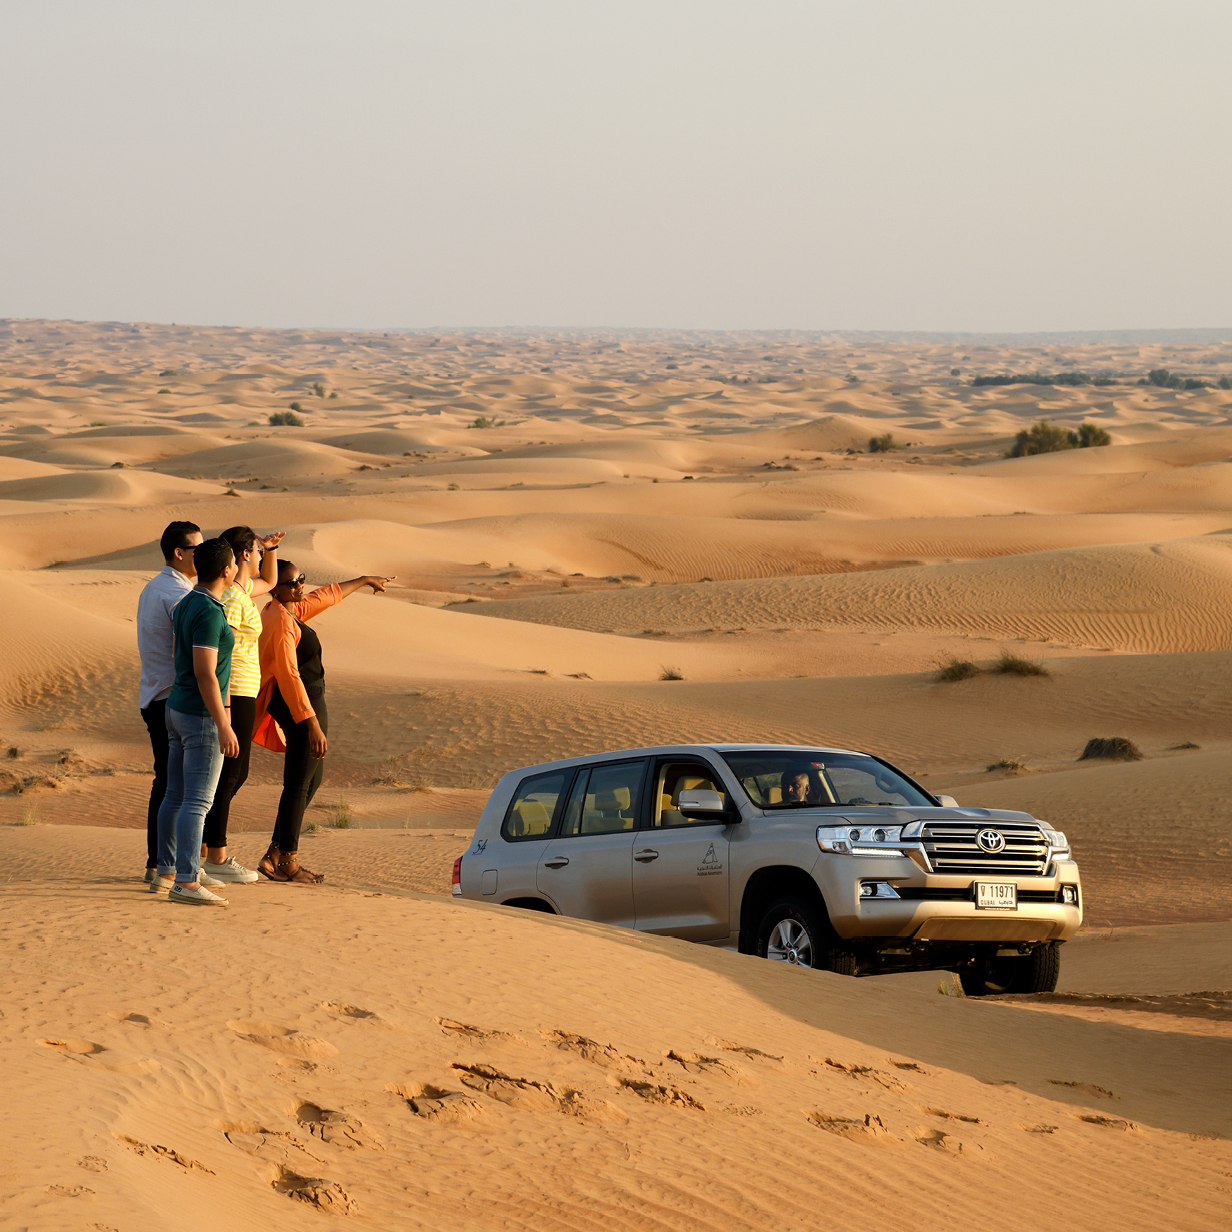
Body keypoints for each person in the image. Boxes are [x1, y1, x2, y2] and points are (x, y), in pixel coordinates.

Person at [253, 562, 393, 884]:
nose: (298, 586)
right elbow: (288, 674)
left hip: (309, 703)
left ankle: (275, 853)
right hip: (301, 706)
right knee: (298, 783)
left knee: (310, 781)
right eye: (290, 583)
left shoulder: (289, 609)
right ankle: (288, 860)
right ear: (274, 586)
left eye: (300, 579)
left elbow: (324, 596)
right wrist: (310, 722)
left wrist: (363, 578)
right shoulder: (278, 620)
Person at [151, 538, 240, 906]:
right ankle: (186, 882)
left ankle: (168, 871)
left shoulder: (189, 601)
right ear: (225, 570)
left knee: (175, 795)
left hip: (178, 708)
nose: (236, 568)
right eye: (235, 563)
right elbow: (206, 672)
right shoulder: (207, 611)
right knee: (197, 802)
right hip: (199, 716)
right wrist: (223, 723)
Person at [199, 525, 286, 883]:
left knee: (235, 773)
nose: (260, 553)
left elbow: (270, 579)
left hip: (247, 691)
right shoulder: (232, 599)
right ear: (243, 554)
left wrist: (271, 549)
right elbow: (221, 650)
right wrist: (226, 704)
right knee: (231, 773)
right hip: (235, 691)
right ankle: (213, 852)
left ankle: (204, 845)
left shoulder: (243, 589)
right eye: (255, 548)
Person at [136, 521, 202, 880]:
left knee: (167, 783)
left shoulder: (154, 587)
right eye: (197, 549)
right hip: (171, 698)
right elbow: (191, 652)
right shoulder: (176, 595)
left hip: (157, 695)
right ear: (179, 553)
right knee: (175, 787)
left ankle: (158, 864)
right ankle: (165, 866)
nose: (202, 555)